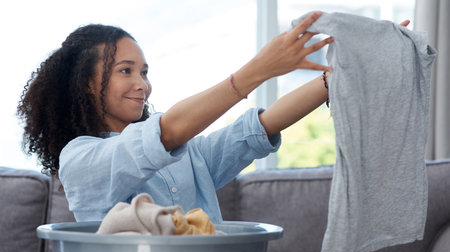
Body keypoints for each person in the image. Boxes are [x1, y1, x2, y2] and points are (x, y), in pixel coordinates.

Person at [18, 11, 334, 222]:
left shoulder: (188, 156)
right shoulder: (79, 160)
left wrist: (331, 82)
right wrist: (259, 69)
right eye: (125, 71)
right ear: (87, 83)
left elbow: (257, 129)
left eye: (144, 72)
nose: (142, 84)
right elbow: (165, 134)